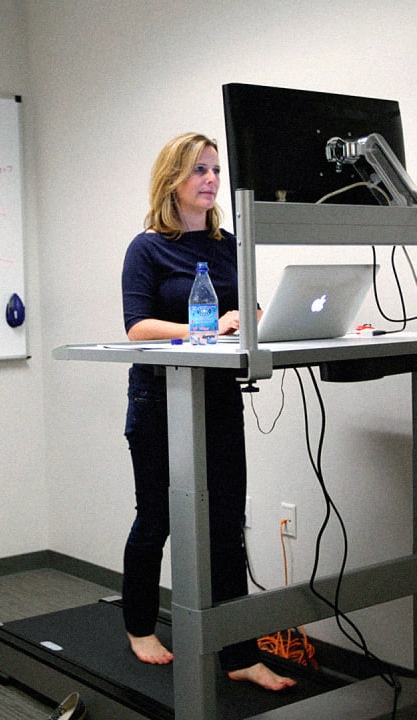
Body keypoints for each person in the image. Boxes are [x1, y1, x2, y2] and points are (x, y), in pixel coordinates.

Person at [119, 132, 296, 692]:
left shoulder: (228, 243)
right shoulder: (146, 248)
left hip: (217, 398)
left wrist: (255, 316)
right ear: (172, 178)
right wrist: (209, 327)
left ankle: (239, 652)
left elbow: (255, 306)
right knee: (158, 519)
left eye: (215, 170)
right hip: (158, 400)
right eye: (199, 170)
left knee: (226, 525)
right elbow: (138, 327)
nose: (211, 179)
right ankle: (140, 626)